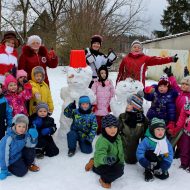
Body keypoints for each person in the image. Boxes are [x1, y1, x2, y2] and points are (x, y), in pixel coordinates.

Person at [85, 114, 124, 189]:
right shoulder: (103, 141)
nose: (113, 130)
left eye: (115, 127)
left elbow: (120, 151)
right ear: (104, 128)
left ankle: (93, 160)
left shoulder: (118, 137)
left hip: (113, 160)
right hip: (103, 163)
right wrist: (106, 159)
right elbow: (100, 153)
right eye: (109, 127)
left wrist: (121, 162)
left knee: (119, 169)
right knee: (118, 172)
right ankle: (103, 179)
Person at [0, 114, 39, 180]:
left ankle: (28, 164)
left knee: (30, 150)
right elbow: (3, 155)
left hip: (19, 155)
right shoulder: (8, 138)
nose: (22, 129)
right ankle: (9, 167)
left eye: (24, 126)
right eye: (19, 126)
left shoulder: (25, 135)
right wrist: (4, 169)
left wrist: (34, 138)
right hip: (11, 159)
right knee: (22, 172)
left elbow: (31, 146)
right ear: (14, 126)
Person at [136, 118, 173, 182]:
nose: (160, 132)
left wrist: (167, 162)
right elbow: (140, 150)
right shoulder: (147, 140)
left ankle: (158, 170)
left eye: (162, 130)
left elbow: (169, 152)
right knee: (150, 153)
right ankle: (148, 170)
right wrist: (142, 160)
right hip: (149, 161)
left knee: (164, 176)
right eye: (158, 129)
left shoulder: (165, 141)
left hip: (160, 160)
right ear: (152, 130)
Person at [119, 92, 148, 164]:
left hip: (135, 151)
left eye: (129, 104)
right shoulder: (122, 117)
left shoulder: (142, 120)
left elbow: (145, 137)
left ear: (136, 107)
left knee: (132, 160)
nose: (127, 105)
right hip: (122, 151)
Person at [168, 100, 190, 172]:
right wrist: (177, 128)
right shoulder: (187, 104)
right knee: (184, 148)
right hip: (186, 131)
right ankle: (184, 163)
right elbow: (182, 117)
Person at [91, 65, 115, 134]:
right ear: (99, 74)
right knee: (98, 122)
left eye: (105, 73)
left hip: (106, 106)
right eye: (102, 73)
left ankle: (104, 131)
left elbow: (112, 94)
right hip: (98, 107)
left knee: (105, 122)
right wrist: (94, 104)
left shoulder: (109, 83)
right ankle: (97, 131)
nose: (103, 75)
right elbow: (93, 94)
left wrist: (111, 104)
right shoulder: (96, 83)